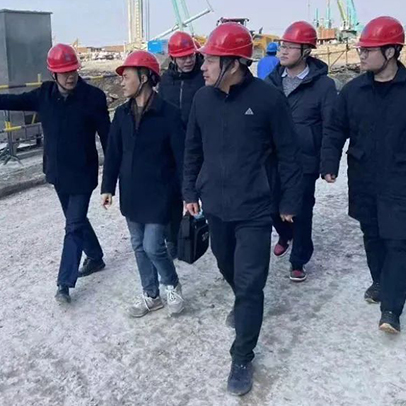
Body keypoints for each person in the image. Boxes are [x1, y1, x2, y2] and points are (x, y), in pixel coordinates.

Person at [183, 22, 302, 396]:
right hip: (216, 207)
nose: (203, 67)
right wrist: (189, 190)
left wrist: (289, 202)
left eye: (210, 61)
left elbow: (289, 154)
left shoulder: (268, 100)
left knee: (251, 284)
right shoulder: (202, 100)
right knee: (226, 265)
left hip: (254, 210)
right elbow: (192, 149)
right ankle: (243, 301)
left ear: (233, 64)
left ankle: (242, 356)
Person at [321, 16, 406, 334]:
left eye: (368, 50)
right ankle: (380, 281)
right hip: (365, 177)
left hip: (405, 177)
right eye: (361, 49)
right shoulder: (354, 90)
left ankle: (391, 309)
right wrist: (329, 164)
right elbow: (335, 129)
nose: (361, 55)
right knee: (373, 234)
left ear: (391, 51)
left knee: (397, 241)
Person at [0, 44, 111, 304]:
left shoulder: (93, 97)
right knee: (76, 220)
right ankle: (95, 256)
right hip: (57, 173)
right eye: (64, 72)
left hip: (83, 174)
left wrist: (111, 179)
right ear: (53, 74)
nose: (70, 76)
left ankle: (64, 283)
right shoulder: (44, 95)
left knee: (72, 226)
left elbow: (108, 138)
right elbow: (11, 101)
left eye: (73, 70)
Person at [101, 50, 186, 317]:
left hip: (160, 194)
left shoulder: (169, 114)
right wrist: (107, 187)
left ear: (145, 77)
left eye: (126, 77)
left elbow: (182, 158)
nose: (122, 83)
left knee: (152, 246)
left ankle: (171, 284)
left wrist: (188, 193)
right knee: (138, 246)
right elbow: (113, 153)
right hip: (132, 193)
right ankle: (151, 294)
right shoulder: (122, 114)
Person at [265, 21, 337, 282]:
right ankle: (285, 235)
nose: (283, 51)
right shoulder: (271, 82)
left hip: (305, 160)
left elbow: (331, 126)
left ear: (306, 50)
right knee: (272, 205)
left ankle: (299, 260)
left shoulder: (324, 86)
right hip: (273, 159)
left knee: (302, 211)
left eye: (291, 47)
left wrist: (328, 164)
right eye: (282, 45)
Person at [157, 31, 205, 259]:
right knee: (173, 194)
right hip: (173, 146)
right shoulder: (166, 81)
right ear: (173, 58)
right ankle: (174, 239)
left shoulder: (204, 77)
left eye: (191, 55)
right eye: (183, 57)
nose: (188, 60)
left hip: (202, 144)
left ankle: (211, 229)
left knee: (205, 187)